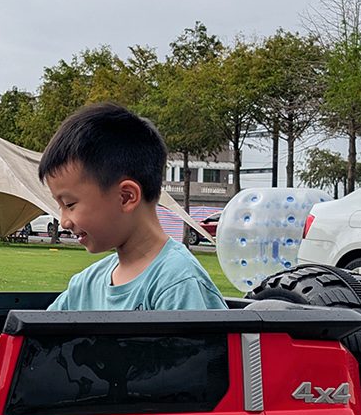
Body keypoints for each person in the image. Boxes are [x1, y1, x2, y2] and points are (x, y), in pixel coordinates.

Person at [40, 101, 226, 311]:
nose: (64, 222)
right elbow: (24, 340)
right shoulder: (86, 285)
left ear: (126, 197)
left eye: (70, 204)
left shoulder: (178, 284)